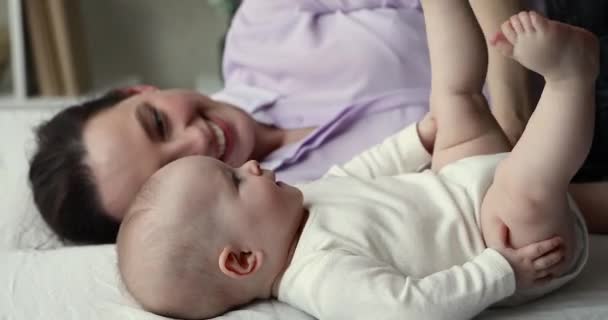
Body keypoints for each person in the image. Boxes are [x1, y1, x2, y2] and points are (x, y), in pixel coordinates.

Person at [117, 6, 597, 319]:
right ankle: (570, 79)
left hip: (458, 183)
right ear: (243, 260)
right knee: (522, 189)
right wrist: (500, 270)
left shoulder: (305, 200)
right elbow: (410, 311)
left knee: (453, 101)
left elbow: (365, 168)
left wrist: (419, 137)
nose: (253, 169)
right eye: (237, 184)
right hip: (512, 243)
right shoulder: (322, 279)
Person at [28, 1, 542, 244]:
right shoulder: (296, 212)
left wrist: (515, 116)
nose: (196, 140)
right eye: (168, 175)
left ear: (139, 91)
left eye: (159, 124)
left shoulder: (264, 22)